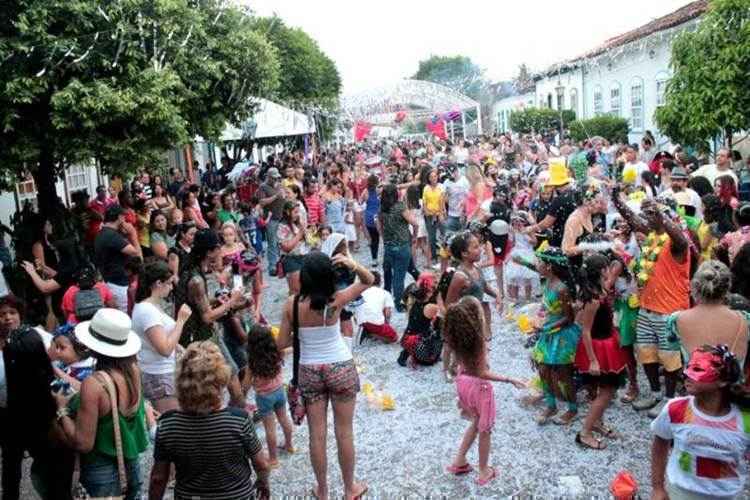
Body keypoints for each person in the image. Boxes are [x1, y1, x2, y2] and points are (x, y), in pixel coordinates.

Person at [276, 251, 374, 500]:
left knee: (316, 434)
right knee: (345, 431)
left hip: (309, 369)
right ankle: (349, 488)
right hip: (340, 365)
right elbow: (368, 279)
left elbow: (281, 343)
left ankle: (322, 489)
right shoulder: (336, 299)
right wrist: (352, 264)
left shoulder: (291, 305)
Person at [149, 341, 270, 500]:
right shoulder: (238, 421)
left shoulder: (168, 425)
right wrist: (263, 483)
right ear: (221, 380)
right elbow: (261, 463)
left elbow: (158, 478)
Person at [54, 308, 149, 499]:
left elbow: (83, 443)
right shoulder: (133, 371)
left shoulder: (94, 384)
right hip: (132, 465)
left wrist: (61, 409)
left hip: (102, 471)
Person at [613, 191, 690, 417]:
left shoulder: (676, 243)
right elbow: (633, 219)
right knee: (646, 353)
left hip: (669, 310)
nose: (646, 219)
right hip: (646, 308)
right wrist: (617, 199)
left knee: (669, 357)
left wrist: (658, 211)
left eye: (652, 215)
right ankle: (656, 394)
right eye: (646, 216)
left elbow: (681, 238)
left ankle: (669, 399)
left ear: (664, 218)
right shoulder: (652, 235)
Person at [443, 296, 525, 486]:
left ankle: (459, 461)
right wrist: (509, 379)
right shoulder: (478, 341)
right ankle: (483, 471)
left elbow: (458, 365)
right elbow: (481, 372)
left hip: (462, 382)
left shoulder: (456, 337)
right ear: (476, 317)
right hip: (479, 388)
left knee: (475, 422)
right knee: (485, 430)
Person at [650, 345, 750, 500]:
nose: (686, 373)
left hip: (727, 496)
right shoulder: (676, 409)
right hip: (681, 492)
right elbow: (660, 443)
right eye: (688, 366)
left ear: (722, 381)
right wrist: (657, 487)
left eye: (697, 369)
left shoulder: (745, 420)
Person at [1, 295, 74, 500]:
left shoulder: (34, 336)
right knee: (11, 467)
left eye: (12, 313)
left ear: (20, 315)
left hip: (35, 413)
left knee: (49, 463)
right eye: (3, 314)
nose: (7, 318)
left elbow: (48, 366)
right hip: (8, 413)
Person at [513, 246, 581, 425]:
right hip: (547, 333)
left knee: (563, 374)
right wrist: (537, 320)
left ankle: (572, 409)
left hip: (561, 336)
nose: (538, 265)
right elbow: (546, 309)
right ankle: (551, 406)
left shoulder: (561, 288)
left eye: (541, 262)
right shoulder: (547, 280)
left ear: (549, 266)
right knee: (543, 371)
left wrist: (546, 327)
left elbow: (569, 318)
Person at [573, 253, 629, 450]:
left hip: (607, 342)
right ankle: (584, 432)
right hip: (599, 348)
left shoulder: (601, 290)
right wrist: (593, 360)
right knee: (607, 391)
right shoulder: (594, 299)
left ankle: (596, 422)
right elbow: (586, 330)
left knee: (603, 389)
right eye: (607, 267)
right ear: (602, 271)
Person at [132, 261, 192, 413]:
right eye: (170, 283)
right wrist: (181, 320)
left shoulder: (151, 306)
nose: (172, 287)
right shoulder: (147, 311)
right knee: (173, 423)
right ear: (158, 283)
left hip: (163, 371)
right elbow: (164, 349)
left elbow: (159, 338)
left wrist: (177, 347)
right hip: (158, 375)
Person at [667, 261, 749, 366]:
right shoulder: (745, 319)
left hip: (696, 381)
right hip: (732, 382)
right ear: (728, 286)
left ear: (696, 285)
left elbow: (673, 346)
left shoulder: (675, 320)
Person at [245, 325, 294, 469]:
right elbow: (290, 349)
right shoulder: (277, 353)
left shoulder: (252, 363)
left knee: (270, 428)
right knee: (284, 418)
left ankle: (273, 459)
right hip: (279, 391)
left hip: (264, 397)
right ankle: (289, 445)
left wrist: (241, 393)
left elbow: (246, 384)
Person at [94, 205, 142, 312]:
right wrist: (133, 233)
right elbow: (137, 254)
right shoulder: (111, 236)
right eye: (124, 217)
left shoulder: (103, 233)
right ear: (120, 217)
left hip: (110, 281)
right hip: (118, 284)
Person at [379, 184, 418, 310]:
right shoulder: (400, 207)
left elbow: (379, 226)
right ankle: (398, 304)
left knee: (390, 272)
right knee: (399, 277)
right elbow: (415, 223)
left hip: (389, 246)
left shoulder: (382, 209)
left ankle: (387, 296)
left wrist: (384, 238)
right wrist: (414, 237)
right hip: (402, 246)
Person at [525, 162, 577, 248]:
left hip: (562, 237)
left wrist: (531, 228)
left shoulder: (559, 200)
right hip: (575, 235)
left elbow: (546, 223)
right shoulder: (575, 193)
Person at [355, 270, 397, 344]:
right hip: (374, 322)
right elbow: (387, 313)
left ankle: (366, 329)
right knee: (394, 338)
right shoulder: (385, 293)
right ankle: (371, 333)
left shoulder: (361, 292)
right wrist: (386, 325)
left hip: (359, 320)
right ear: (380, 282)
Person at [277, 200, 309, 295]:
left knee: (305, 287)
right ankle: (293, 308)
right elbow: (286, 248)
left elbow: (306, 240)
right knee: (296, 290)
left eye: (298, 212)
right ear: (287, 212)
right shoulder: (282, 226)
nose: (298, 214)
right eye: (295, 212)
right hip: (291, 259)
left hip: (303, 256)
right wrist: (300, 234)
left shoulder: (297, 223)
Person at [258, 167, 285, 276]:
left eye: (276, 178)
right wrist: (275, 196)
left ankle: (281, 264)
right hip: (271, 219)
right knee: (272, 243)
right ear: (268, 177)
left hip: (281, 217)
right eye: (273, 178)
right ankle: (272, 266)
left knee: (281, 242)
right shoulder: (263, 187)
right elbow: (262, 202)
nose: (275, 180)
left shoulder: (279, 185)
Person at [422, 168, 445, 264]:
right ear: (429, 178)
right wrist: (426, 211)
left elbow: (442, 201)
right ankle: (434, 256)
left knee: (444, 234)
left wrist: (440, 213)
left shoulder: (441, 187)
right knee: (431, 237)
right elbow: (424, 201)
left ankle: (445, 253)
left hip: (439, 214)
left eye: (435, 176)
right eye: (431, 177)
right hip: (429, 215)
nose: (433, 178)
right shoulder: (426, 188)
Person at [361, 175, 381, 266]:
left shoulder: (365, 191)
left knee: (374, 239)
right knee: (380, 238)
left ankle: (374, 259)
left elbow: (360, 202)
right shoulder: (379, 191)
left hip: (369, 216)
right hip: (378, 217)